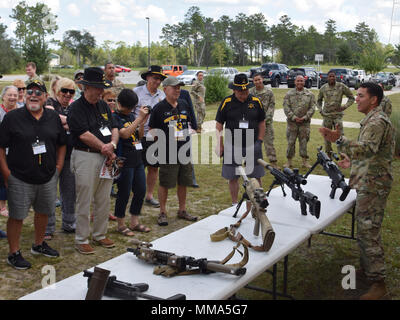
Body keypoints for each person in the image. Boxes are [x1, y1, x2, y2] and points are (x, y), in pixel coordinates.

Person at [319, 82, 395, 300]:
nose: (357, 99)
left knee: (368, 230)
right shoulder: (372, 119)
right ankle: (368, 270)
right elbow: (369, 153)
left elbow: (367, 149)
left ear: (373, 99)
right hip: (370, 179)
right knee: (363, 227)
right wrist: (350, 160)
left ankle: (379, 284)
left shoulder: (377, 120)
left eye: (361, 96)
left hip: (375, 184)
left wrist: (338, 140)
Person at [0, 80, 67, 269]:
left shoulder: (53, 117)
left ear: (45, 97)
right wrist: (6, 172)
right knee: (17, 216)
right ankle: (13, 253)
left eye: (39, 92)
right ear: (25, 95)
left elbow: (62, 143)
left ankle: (38, 245)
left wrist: (59, 167)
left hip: (47, 176)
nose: (33, 95)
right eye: (29, 92)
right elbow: (1, 146)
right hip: (19, 177)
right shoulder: (13, 117)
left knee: (43, 212)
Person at [67, 67, 119, 255]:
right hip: (85, 156)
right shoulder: (75, 108)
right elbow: (83, 134)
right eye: (97, 88)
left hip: (106, 156)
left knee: (104, 198)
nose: (100, 92)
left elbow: (114, 127)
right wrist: (104, 148)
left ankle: (99, 234)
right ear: (85, 87)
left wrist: (112, 145)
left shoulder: (103, 105)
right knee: (85, 198)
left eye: (101, 88)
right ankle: (82, 238)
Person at [148, 76, 198, 226]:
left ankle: (182, 210)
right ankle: (162, 212)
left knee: (183, 181)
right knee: (165, 183)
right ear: (165, 89)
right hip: (168, 151)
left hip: (184, 149)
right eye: (174, 87)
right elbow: (152, 130)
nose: (178, 90)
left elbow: (188, 124)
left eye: (179, 87)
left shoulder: (183, 104)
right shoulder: (159, 108)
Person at [215, 73, 265, 206]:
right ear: (234, 90)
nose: (244, 94)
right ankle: (234, 203)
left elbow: (262, 122)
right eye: (240, 92)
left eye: (246, 91)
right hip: (232, 144)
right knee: (233, 176)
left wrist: (259, 141)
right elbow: (219, 124)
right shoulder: (227, 102)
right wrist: (219, 145)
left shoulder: (256, 101)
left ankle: (258, 202)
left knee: (256, 175)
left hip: (253, 143)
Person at [113, 89, 150, 236]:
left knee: (140, 190)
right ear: (121, 104)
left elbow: (139, 136)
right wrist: (138, 119)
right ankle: (121, 224)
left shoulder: (133, 115)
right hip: (124, 161)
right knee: (124, 192)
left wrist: (142, 122)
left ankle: (134, 221)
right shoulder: (115, 117)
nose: (130, 110)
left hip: (137, 159)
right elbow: (125, 134)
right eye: (129, 107)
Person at [43, 78, 77, 238]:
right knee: (49, 191)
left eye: (71, 91)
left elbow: (77, 124)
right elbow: (53, 119)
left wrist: (68, 123)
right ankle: (48, 228)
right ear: (57, 90)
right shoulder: (49, 102)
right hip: (51, 155)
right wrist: (70, 123)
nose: (67, 94)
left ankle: (69, 222)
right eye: (64, 90)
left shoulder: (72, 106)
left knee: (69, 191)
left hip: (70, 154)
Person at [133, 65, 167, 208]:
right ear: (147, 77)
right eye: (155, 78)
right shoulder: (136, 93)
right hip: (137, 136)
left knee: (154, 167)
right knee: (137, 166)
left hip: (155, 137)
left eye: (159, 79)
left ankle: (149, 195)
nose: (157, 81)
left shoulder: (162, 95)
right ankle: (136, 194)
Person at [317, 70, 354, 157]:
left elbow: (351, 98)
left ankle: (342, 155)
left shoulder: (341, 86)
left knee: (340, 136)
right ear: (327, 78)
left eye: (333, 76)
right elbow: (318, 101)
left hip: (337, 116)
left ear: (336, 77)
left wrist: (344, 107)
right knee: (327, 136)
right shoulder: (323, 88)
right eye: (330, 76)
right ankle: (328, 155)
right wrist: (320, 110)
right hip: (327, 116)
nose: (332, 78)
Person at [283, 75, 316, 169]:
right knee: (290, 142)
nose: (299, 83)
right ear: (295, 82)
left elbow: (312, 108)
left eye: (301, 81)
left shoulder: (310, 94)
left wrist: (305, 117)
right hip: (292, 123)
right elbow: (286, 107)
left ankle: (304, 162)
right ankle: (289, 162)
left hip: (304, 123)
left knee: (304, 142)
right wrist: (293, 117)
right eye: (298, 81)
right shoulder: (289, 94)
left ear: (304, 82)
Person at [250, 73, 279, 169]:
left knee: (269, 142)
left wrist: (266, 119)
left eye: (259, 79)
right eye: (255, 80)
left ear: (262, 79)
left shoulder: (269, 92)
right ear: (253, 81)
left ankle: (273, 162)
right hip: (253, 123)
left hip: (267, 122)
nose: (257, 82)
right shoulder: (250, 93)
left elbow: (271, 106)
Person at [0, 86, 19, 218]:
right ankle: (2, 206)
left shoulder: (21, 112)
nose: (12, 97)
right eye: (9, 95)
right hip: (1, 151)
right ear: (3, 97)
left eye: (15, 95)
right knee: (2, 179)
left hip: (16, 153)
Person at [179, 88, 199, 188]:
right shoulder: (162, 94)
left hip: (184, 128)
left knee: (187, 154)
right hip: (167, 129)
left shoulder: (184, 93)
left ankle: (192, 179)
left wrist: (195, 125)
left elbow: (190, 109)